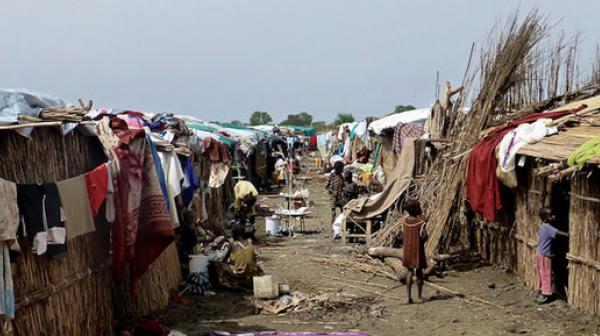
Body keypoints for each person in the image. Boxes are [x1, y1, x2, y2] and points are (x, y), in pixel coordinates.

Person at [535, 207, 569, 304]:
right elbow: (558, 233)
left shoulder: (542, 226)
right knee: (546, 274)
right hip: (545, 255)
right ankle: (546, 294)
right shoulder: (548, 227)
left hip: (540, 253)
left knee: (541, 273)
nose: (554, 216)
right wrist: (569, 234)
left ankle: (541, 290)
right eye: (551, 215)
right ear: (546, 218)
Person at [402, 199, 428, 304]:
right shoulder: (420, 223)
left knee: (409, 272)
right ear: (416, 209)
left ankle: (408, 297)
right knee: (419, 273)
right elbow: (424, 236)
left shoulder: (404, 221)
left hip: (407, 251)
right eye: (419, 207)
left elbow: (403, 234)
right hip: (418, 251)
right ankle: (419, 297)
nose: (420, 208)